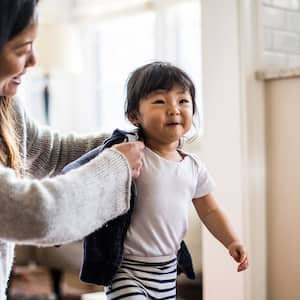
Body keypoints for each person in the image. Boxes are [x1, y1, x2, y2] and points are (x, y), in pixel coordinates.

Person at [66, 61, 249, 299]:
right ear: (134, 116)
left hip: (166, 272)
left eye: (183, 101)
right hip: (126, 269)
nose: (174, 109)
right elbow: (84, 174)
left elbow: (210, 210)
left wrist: (231, 241)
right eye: (160, 101)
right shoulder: (128, 154)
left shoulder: (193, 166)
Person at [0, 0, 144, 297]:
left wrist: (133, 138)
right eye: (21, 48)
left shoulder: (7, 106)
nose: (33, 61)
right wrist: (115, 167)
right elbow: (36, 215)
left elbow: (51, 152)